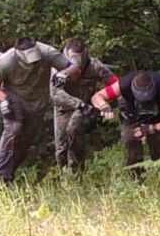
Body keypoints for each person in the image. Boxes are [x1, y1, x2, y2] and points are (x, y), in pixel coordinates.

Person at [0, 36, 78, 186]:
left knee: (25, 142)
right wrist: (2, 99)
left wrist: (64, 73)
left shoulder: (47, 52)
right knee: (13, 131)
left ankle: (7, 177)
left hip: (37, 103)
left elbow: (73, 67)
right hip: (14, 99)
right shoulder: (7, 61)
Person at [91, 69, 160, 175]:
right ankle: (135, 175)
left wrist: (154, 127)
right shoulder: (124, 84)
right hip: (132, 116)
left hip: (159, 117)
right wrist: (104, 106)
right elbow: (97, 96)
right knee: (130, 141)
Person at [49, 37, 116, 174]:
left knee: (73, 129)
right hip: (64, 108)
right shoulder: (57, 69)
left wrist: (104, 102)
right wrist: (77, 104)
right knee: (61, 149)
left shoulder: (95, 66)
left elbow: (115, 84)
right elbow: (55, 94)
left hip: (85, 107)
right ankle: (65, 177)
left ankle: (77, 172)